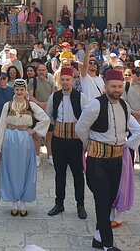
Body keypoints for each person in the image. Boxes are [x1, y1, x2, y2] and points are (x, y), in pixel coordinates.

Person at [76, 70, 140, 251]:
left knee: (109, 200)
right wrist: (90, 144)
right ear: (105, 86)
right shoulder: (94, 106)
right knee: (102, 200)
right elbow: (80, 128)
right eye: (113, 86)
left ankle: (98, 238)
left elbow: (131, 129)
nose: (117, 89)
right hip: (97, 160)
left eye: (120, 86)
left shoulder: (125, 106)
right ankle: (108, 244)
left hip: (116, 160)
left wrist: (127, 145)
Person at [0, 79, 50, 216]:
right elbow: (1, 124)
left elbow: (45, 119)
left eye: (22, 90)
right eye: (17, 90)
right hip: (10, 137)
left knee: (24, 169)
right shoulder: (8, 105)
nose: (19, 92)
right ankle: (13, 202)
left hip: (25, 138)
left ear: (25, 91)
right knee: (10, 168)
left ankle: (23, 202)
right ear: (14, 90)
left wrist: (34, 130)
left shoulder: (31, 105)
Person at [45, 67, 89, 219]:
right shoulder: (54, 97)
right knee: (60, 173)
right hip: (59, 140)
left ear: (73, 80)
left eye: (68, 79)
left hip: (75, 141)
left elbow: (87, 117)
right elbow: (48, 115)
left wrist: (85, 140)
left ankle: (80, 205)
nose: (65, 82)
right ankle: (59, 203)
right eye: (62, 79)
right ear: (59, 80)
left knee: (78, 174)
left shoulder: (81, 97)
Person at [122, 67, 140, 176]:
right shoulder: (126, 86)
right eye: (137, 75)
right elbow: (123, 100)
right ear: (133, 75)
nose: (139, 77)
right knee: (131, 141)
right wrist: (132, 112)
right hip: (130, 118)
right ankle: (130, 165)